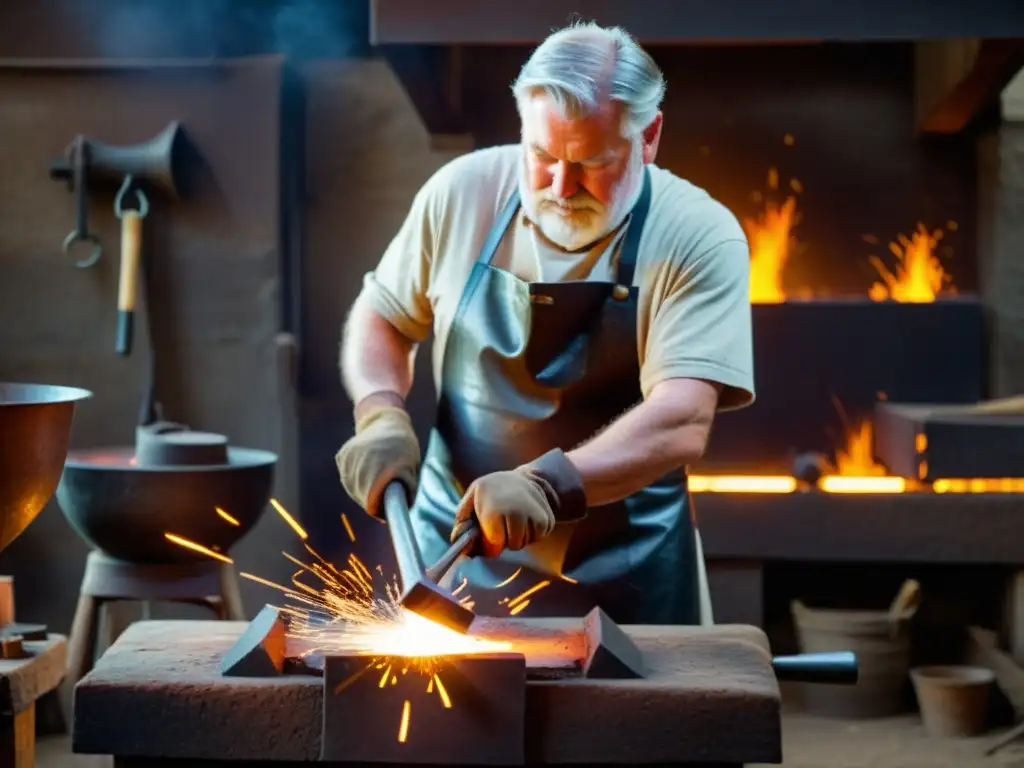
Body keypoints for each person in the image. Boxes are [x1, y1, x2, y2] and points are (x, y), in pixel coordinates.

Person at [336, 21, 754, 625]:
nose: (561, 185)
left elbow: (682, 419)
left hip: (623, 578)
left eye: (590, 161)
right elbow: (382, 315)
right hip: (451, 565)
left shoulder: (698, 234)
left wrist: (546, 485)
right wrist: (378, 411)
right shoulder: (462, 192)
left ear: (650, 136)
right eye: (541, 155)